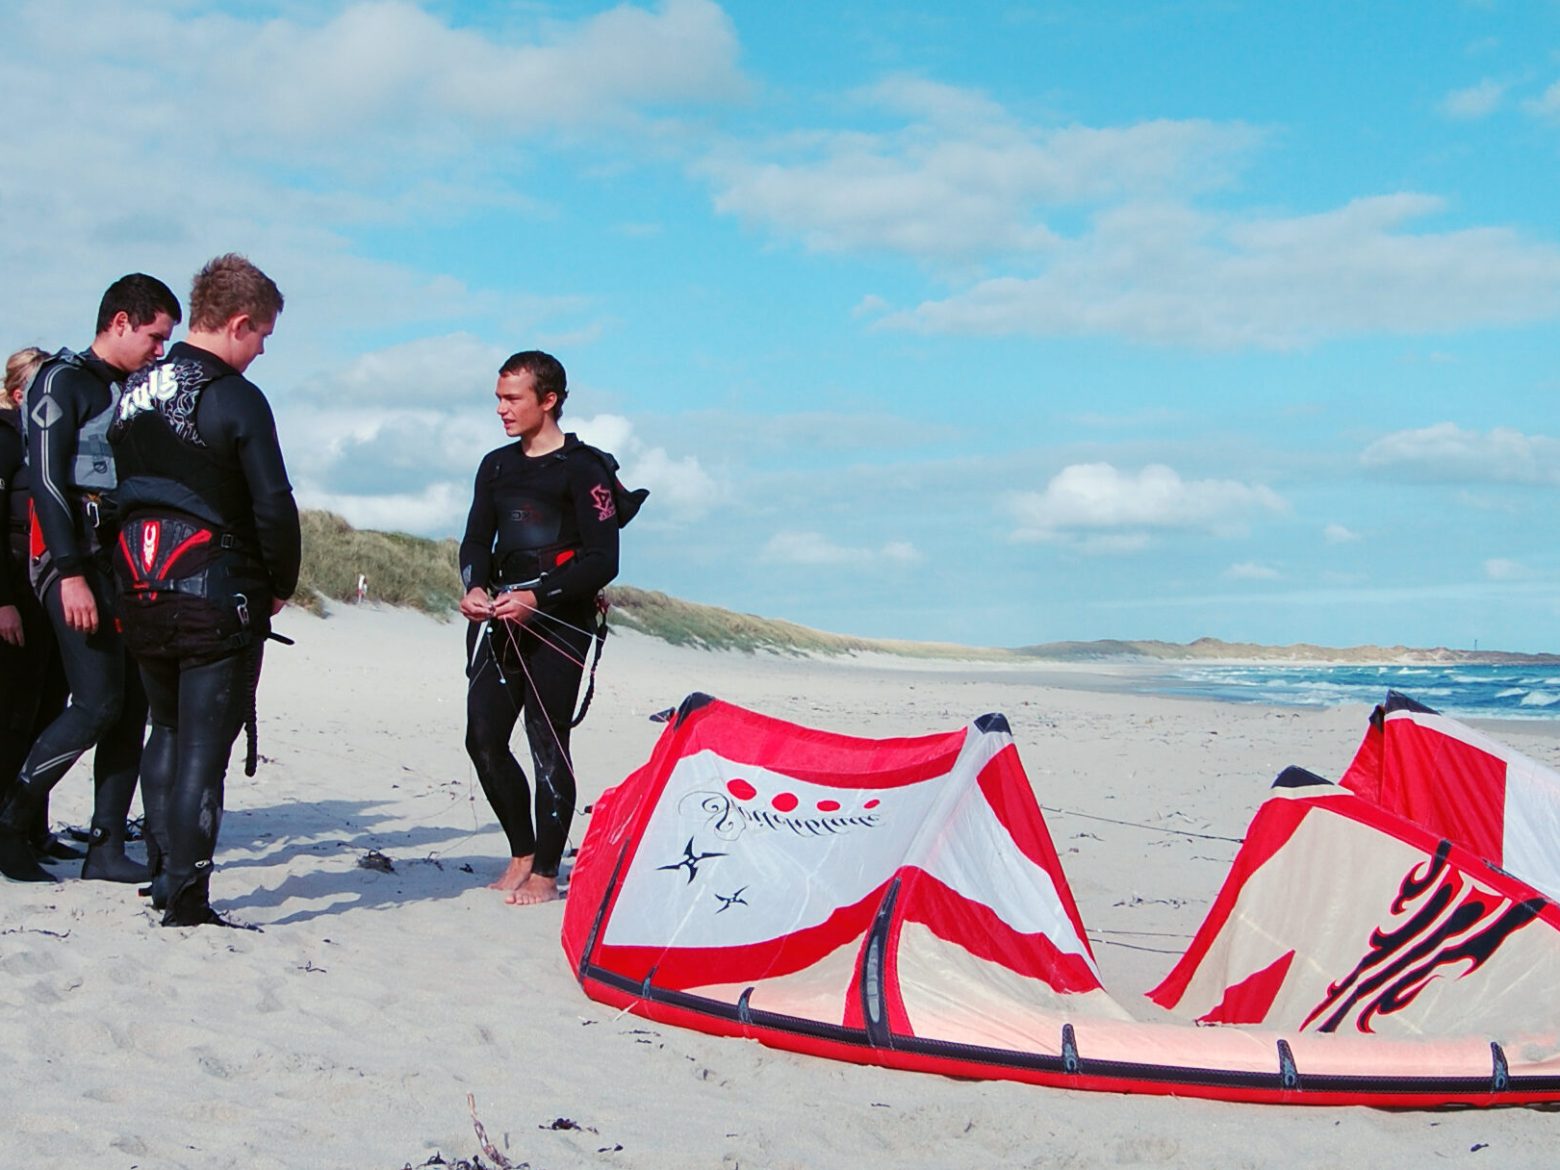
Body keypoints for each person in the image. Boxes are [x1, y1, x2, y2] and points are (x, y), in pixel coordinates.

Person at [105, 253, 299, 927]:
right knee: (203, 748)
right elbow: (272, 503)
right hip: (214, 589)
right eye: (262, 335)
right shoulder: (234, 396)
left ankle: (164, 875)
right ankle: (187, 898)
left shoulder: (133, 391)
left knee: (165, 727)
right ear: (239, 323)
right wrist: (279, 582)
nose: (263, 349)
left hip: (138, 582)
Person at [0, 274, 181, 884]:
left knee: (131, 707)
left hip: (124, 568)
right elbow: (48, 483)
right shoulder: (61, 380)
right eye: (155, 336)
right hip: (70, 563)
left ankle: (104, 847)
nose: (160, 349)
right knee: (98, 703)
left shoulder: (134, 391)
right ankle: (9, 821)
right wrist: (71, 573)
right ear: (120, 322)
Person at [459, 351, 623, 906]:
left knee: (547, 741)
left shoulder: (584, 468)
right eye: (498, 398)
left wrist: (537, 596)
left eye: (513, 398)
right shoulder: (495, 466)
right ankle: (522, 852)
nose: (501, 409)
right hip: (502, 617)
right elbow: (477, 540)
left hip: (559, 619)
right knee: (482, 736)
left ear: (548, 400)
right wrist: (475, 587)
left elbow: (603, 560)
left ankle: (547, 874)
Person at [0, 347, 76, 863]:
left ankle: (34, 827)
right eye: (36, 385)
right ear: (16, 391)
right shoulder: (4, 438)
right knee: (15, 715)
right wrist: (3, 602)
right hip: (15, 588)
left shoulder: (49, 439)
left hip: (48, 587)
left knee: (50, 710)